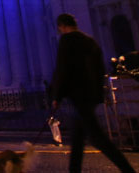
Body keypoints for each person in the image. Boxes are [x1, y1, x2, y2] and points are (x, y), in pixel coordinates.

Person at [51, 13, 136, 173]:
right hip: (90, 96)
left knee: (98, 139)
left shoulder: (67, 40)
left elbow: (63, 69)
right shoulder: (90, 41)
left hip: (78, 96)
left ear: (62, 26)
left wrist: (56, 95)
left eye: (60, 27)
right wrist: (99, 93)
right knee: (78, 139)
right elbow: (100, 69)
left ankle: (127, 169)